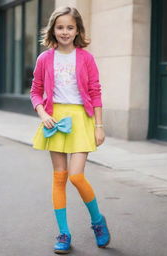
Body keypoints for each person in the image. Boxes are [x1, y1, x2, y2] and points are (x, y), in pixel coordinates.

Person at [30, 6, 110, 254]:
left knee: (76, 176)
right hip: (55, 120)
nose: (65, 32)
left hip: (81, 120)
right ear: (54, 29)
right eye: (60, 27)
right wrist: (43, 114)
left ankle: (98, 221)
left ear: (77, 30)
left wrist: (99, 126)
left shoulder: (86, 58)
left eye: (70, 27)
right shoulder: (45, 58)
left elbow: (96, 93)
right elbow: (35, 91)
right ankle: (64, 233)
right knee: (59, 177)